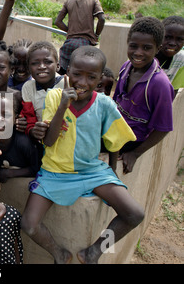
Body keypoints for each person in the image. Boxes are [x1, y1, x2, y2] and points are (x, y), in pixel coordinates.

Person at [21, 46, 144, 264]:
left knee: (134, 214)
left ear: (99, 80)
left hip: (91, 171)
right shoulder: (54, 96)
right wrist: (63, 107)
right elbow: (49, 141)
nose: (83, 82)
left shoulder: (104, 104)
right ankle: (59, 253)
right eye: (77, 74)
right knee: (29, 224)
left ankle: (94, 252)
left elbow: (113, 141)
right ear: (67, 72)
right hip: (55, 172)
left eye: (91, 77)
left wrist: (112, 172)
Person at [113, 16, 174, 174]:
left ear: (157, 49)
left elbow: (163, 128)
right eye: (134, 46)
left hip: (131, 140)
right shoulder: (126, 67)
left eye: (146, 48)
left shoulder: (159, 84)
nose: (138, 53)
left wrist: (135, 153)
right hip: (114, 129)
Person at [55, 0, 105, 75]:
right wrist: (96, 35)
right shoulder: (94, 0)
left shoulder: (68, 2)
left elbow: (57, 22)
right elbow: (102, 19)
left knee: (63, 71)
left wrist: (70, 30)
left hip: (69, 43)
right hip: (85, 44)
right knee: (83, 72)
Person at [21, 41, 65, 142]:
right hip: (41, 141)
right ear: (29, 68)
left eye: (48, 62)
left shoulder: (66, 84)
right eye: (35, 63)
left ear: (57, 66)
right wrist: (33, 131)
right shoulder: (28, 88)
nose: (41, 66)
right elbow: (29, 117)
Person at [155, 15, 184, 95]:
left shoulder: (181, 60)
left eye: (179, 39)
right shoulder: (144, 53)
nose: (172, 43)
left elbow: (173, 91)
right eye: (167, 37)